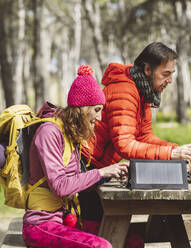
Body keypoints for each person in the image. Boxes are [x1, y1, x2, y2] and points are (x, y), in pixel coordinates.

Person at [79, 42, 191, 235]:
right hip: (86, 167)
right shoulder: (124, 91)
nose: (170, 81)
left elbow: (145, 136)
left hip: (100, 166)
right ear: (148, 69)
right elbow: (124, 143)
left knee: (113, 231)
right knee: (101, 231)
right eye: (165, 74)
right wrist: (171, 153)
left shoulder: (141, 91)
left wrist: (175, 148)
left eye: (171, 75)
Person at [22, 65, 128, 248]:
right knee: (101, 246)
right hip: (41, 225)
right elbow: (60, 187)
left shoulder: (70, 134)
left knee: (131, 240)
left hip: (66, 218)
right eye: (96, 110)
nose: (100, 117)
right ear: (82, 108)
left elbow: (75, 179)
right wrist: (101, 173)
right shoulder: (49, 132)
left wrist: (111, 174)